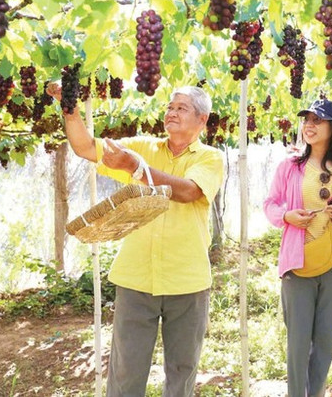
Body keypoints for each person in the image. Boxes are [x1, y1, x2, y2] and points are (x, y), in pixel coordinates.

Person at [49, 83, 225, 396]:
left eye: (181, 108)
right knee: (125, 374)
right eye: (170, 107)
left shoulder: (211, 158)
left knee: (182, 373)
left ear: (202, 120)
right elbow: (86, 148)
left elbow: (188, 191)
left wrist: (137, 168)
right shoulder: (143, 147)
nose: (171, 112)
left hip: (187, 281)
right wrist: (71, 111)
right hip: (135, 279)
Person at [263, 99, 332, 397]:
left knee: (324, 341)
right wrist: (287, 216)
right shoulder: (290, 165)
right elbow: (270, 204)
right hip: (300, 259)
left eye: (317, 120)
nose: (309, 125)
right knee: (298, 341)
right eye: (306, 119)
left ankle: (316, 393)